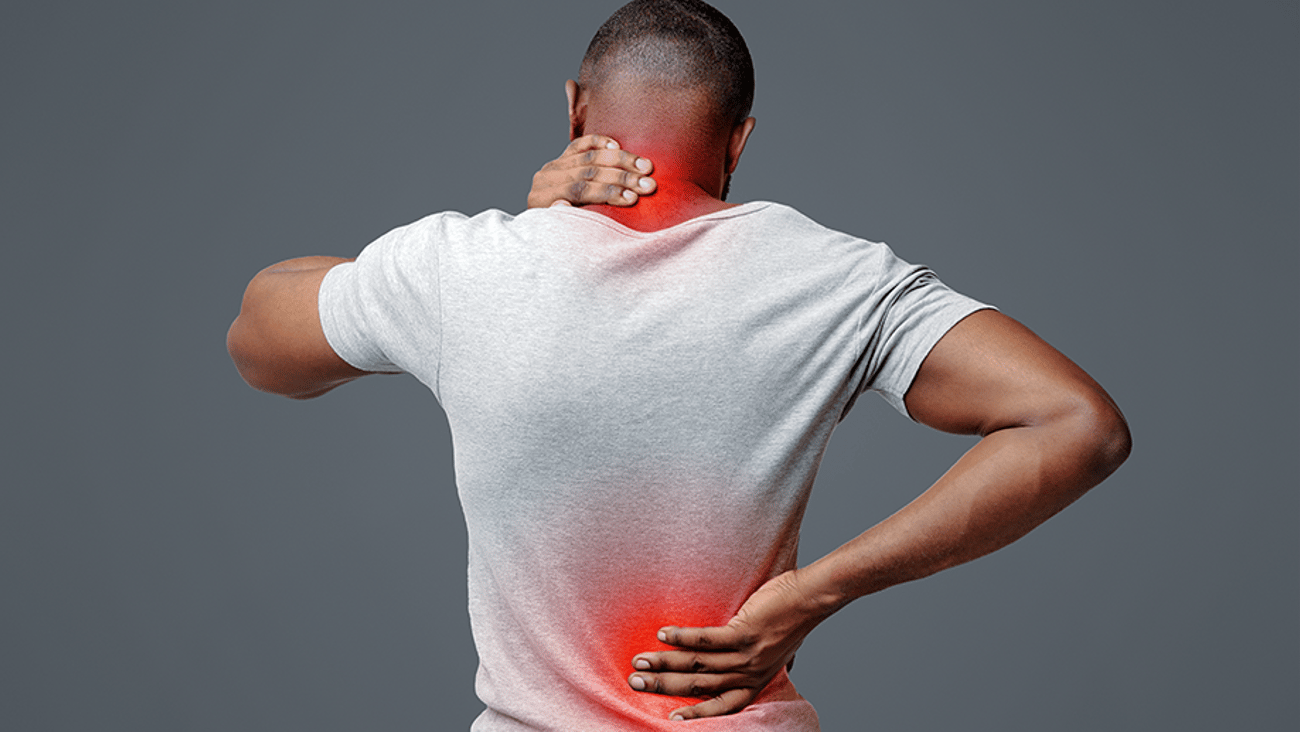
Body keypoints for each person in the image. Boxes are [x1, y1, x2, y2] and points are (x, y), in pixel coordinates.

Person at [227, 1, 1130, 729]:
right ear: (738, 140)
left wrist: (526, 222)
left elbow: (262, 344)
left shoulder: (461, 269)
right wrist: (812, 595)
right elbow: (1077, 424)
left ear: (576, 110)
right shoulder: (835, 278)